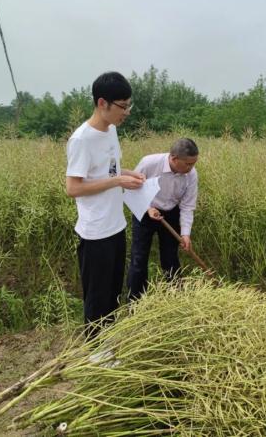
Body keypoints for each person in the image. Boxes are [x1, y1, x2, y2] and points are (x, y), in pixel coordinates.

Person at [65, 71, 145, 335]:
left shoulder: (110, 131)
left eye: (128, 105)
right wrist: (118, 182)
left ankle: (107, 345)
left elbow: (110, 171)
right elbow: (73, 188)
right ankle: (95, 352)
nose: (127, 112)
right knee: (97, 296)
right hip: (95, 232)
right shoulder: (81, 140)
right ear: (102, 103)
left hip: (116, 225)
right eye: (123, 106)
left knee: (112, 292)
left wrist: (129, 174)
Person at [126, 138, 199, 300]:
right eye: (188, 164)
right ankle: (135, 302)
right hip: (145, 210)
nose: (191, 168)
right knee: (139, 258)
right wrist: (148, 208)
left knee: (170, 257)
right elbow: (131, 190)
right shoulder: (149, 163)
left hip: (171, 212)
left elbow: (187, 206)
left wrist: (186, 234)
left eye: (194, 163)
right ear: (174, 159)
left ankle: (175, 298)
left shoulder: (191, 175)